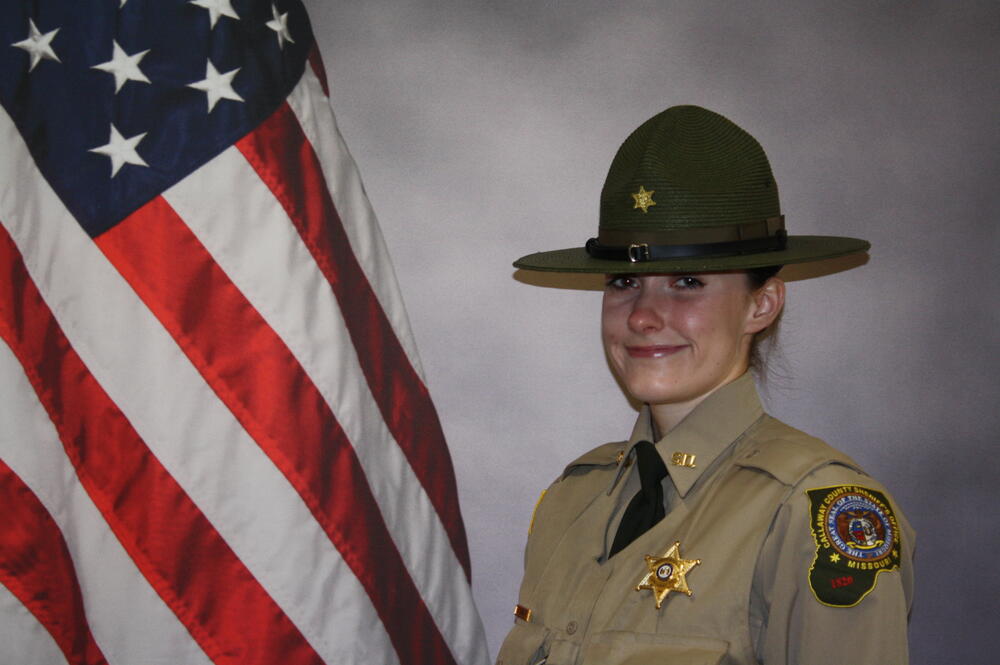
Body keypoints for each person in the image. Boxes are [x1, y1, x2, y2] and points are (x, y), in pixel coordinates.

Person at [496, 105, 913, 665]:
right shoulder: (572, 500)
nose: (642, 316)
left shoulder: (808, 512)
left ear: (761, 305)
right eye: (623, 282)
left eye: (687, 282)